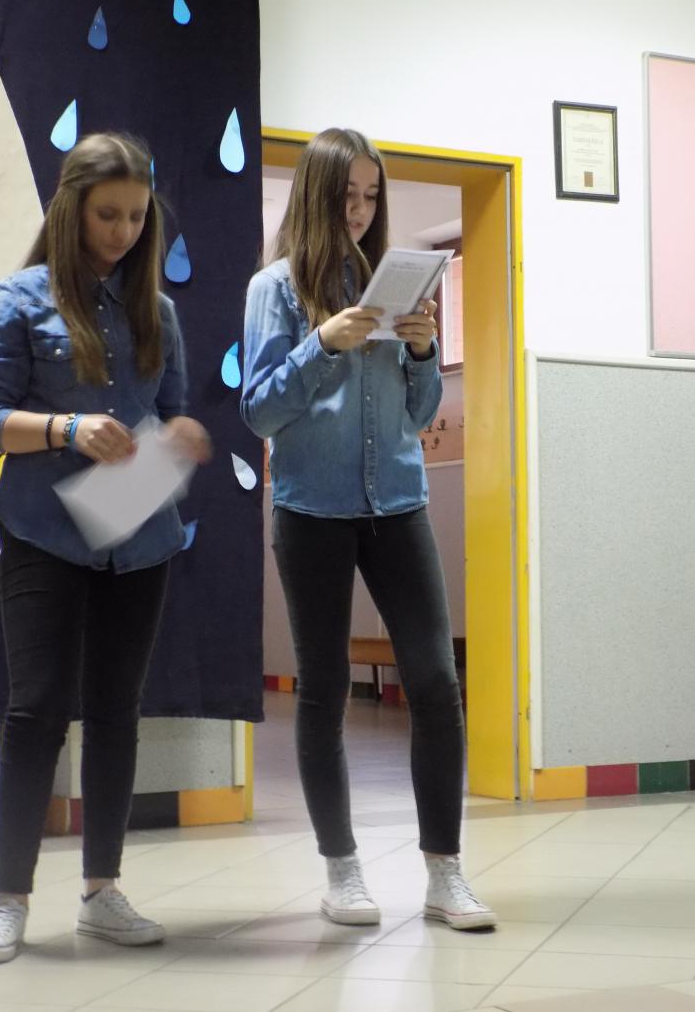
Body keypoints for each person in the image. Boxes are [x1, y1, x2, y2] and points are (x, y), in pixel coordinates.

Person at [241, 127, 496, 931]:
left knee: (436, 683)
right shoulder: (275, 289)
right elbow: (258, 410)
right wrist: (321, 343)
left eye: (370, 195)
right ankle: (341, 869)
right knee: (321, 691)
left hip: (398, 506)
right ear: (315, 196)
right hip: (310, 510)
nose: (358, 210)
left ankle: (444, 872)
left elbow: (418, 413)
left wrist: (421, 352)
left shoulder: (394, 285)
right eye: (346, 195)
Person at [0, 132, 211, 964]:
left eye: (137, 218)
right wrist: (67, 428)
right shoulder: (18, 298)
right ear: (71, 209)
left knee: (115, 712)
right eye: (108, 215)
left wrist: (179, 437)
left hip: (137, 534)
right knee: (35, 710)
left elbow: (170, 411)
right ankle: (8, 900)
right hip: (41, 530)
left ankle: (102, 892)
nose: (122, 233)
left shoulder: (158, 312)